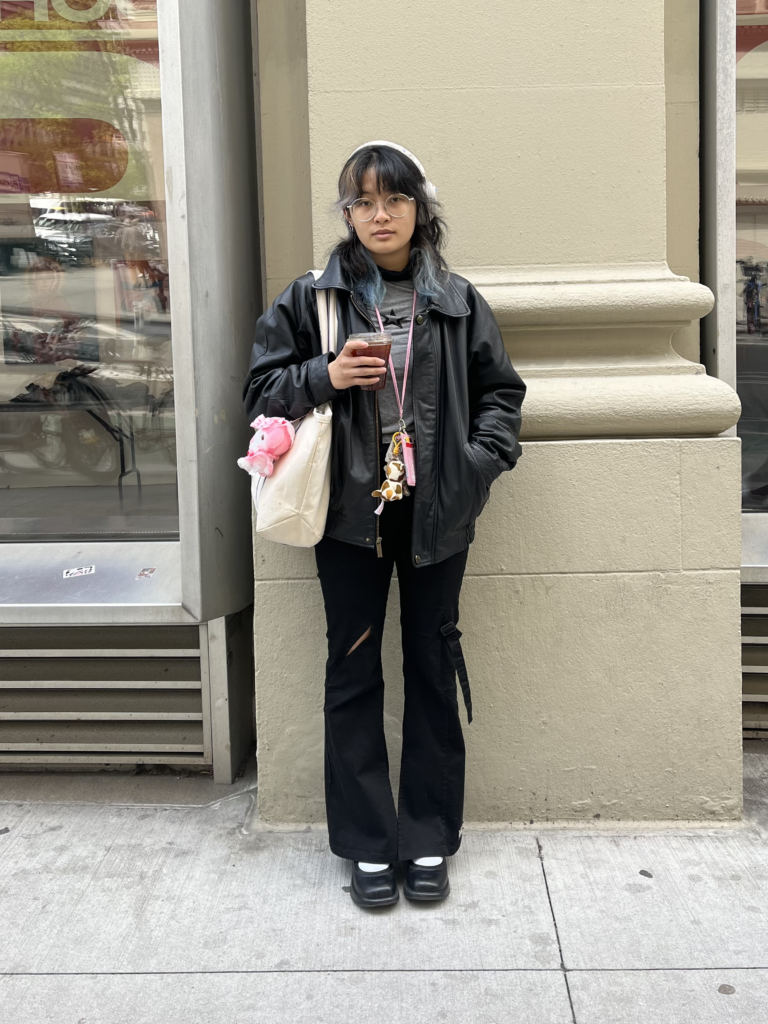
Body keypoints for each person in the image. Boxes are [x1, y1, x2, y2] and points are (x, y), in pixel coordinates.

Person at [244, 141, 526, 908]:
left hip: (438, 509)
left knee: (434, 672)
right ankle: (369, 844)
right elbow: (260, 395)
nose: (379, 214)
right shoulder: (311, 301)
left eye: (394, 200)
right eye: (363, 201)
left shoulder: (458, 298)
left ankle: (428, 836)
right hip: (348, 518)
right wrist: (322, 376)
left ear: (418, 210)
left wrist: (476, 462)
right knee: (352, 672)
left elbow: (502, 393)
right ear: (346, 214)